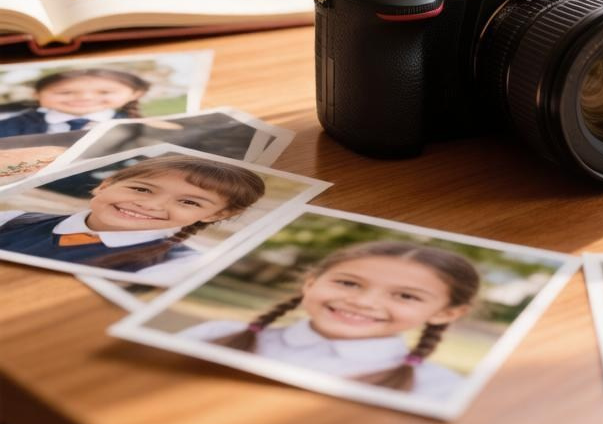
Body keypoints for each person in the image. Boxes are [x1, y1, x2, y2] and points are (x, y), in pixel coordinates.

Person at [181, 240, 480, 399]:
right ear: (310, 283)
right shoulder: (216, 333)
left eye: (406, 296)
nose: (362, 302)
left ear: (447, 313)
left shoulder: (440, 388)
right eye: (348, 283)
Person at [0, 153, 265, 284]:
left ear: (217, 214)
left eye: (189, 202)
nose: (150, 204)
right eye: (141, 189)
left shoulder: (176, 266)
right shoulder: (13, 220)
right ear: (105, 185)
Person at [0, 69, 151, 138]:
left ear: (135, 94)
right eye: (65, 92)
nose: (85, 98)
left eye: (104, 92)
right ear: (36, 95)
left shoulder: (138, 128)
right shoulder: (9, 126)